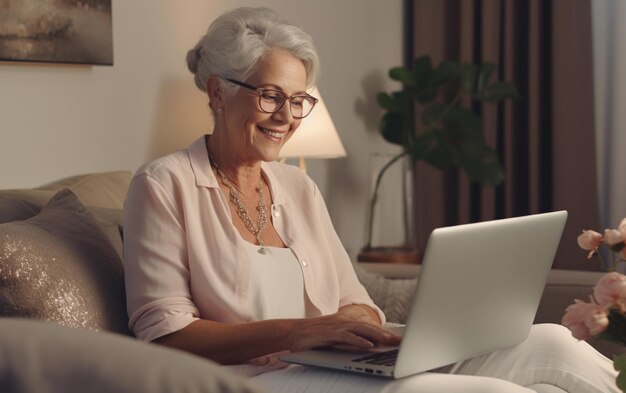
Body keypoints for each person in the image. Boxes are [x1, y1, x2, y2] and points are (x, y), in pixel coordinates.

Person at [123, 6, 619, 393]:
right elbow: (167, 334)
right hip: (249, 379)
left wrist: (358, 329)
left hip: (333, 365)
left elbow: (355, 301)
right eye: (270, 96)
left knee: (555, 343)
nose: (287, 117)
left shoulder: (298, 188)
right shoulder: (163, 186)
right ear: (216, 92)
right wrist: (299, 335)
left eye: (298, 101)